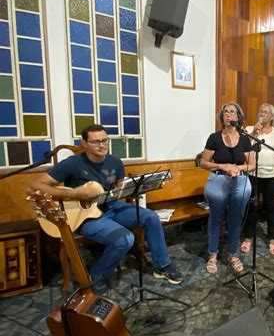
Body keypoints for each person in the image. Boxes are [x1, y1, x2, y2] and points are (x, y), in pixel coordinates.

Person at [31, 124, 182, 289]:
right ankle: (97, 276)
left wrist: (135, 188)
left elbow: (120, 189)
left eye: (104, 141)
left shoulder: (115, 162)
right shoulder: (73, 163)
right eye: (95, 142)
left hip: (112, 207)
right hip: (84, 216)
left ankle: (162, 265)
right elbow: (36, 186)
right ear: (84, 143)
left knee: (151, 217)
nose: (101, 145)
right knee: (125, 239)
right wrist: (76, 194)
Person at [200, 102, 255, 274]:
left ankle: (233, 254)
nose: (229, 115)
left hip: (239, 179)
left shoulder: (245, 139)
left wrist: (237, 168)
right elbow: (203, 162)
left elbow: (252, 164)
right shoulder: (214, 138)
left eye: (232, 112)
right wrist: (222, 166)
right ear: (222, 117)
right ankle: (213, 255)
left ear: (238, 117)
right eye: (226, 112)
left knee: (235, 219)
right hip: (218, 179)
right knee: (216, 219)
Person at [240, 103, 274, 256]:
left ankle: (272, 238)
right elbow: (242, 147)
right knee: (251, 206)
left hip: (271, 176)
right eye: (261, 111)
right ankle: (248, 237)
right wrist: (255, 130)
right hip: (253, 175)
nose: (263, 113)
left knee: (270, 207)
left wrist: (273, 163)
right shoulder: (249, 130)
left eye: (267, 112)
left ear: (273, 116)